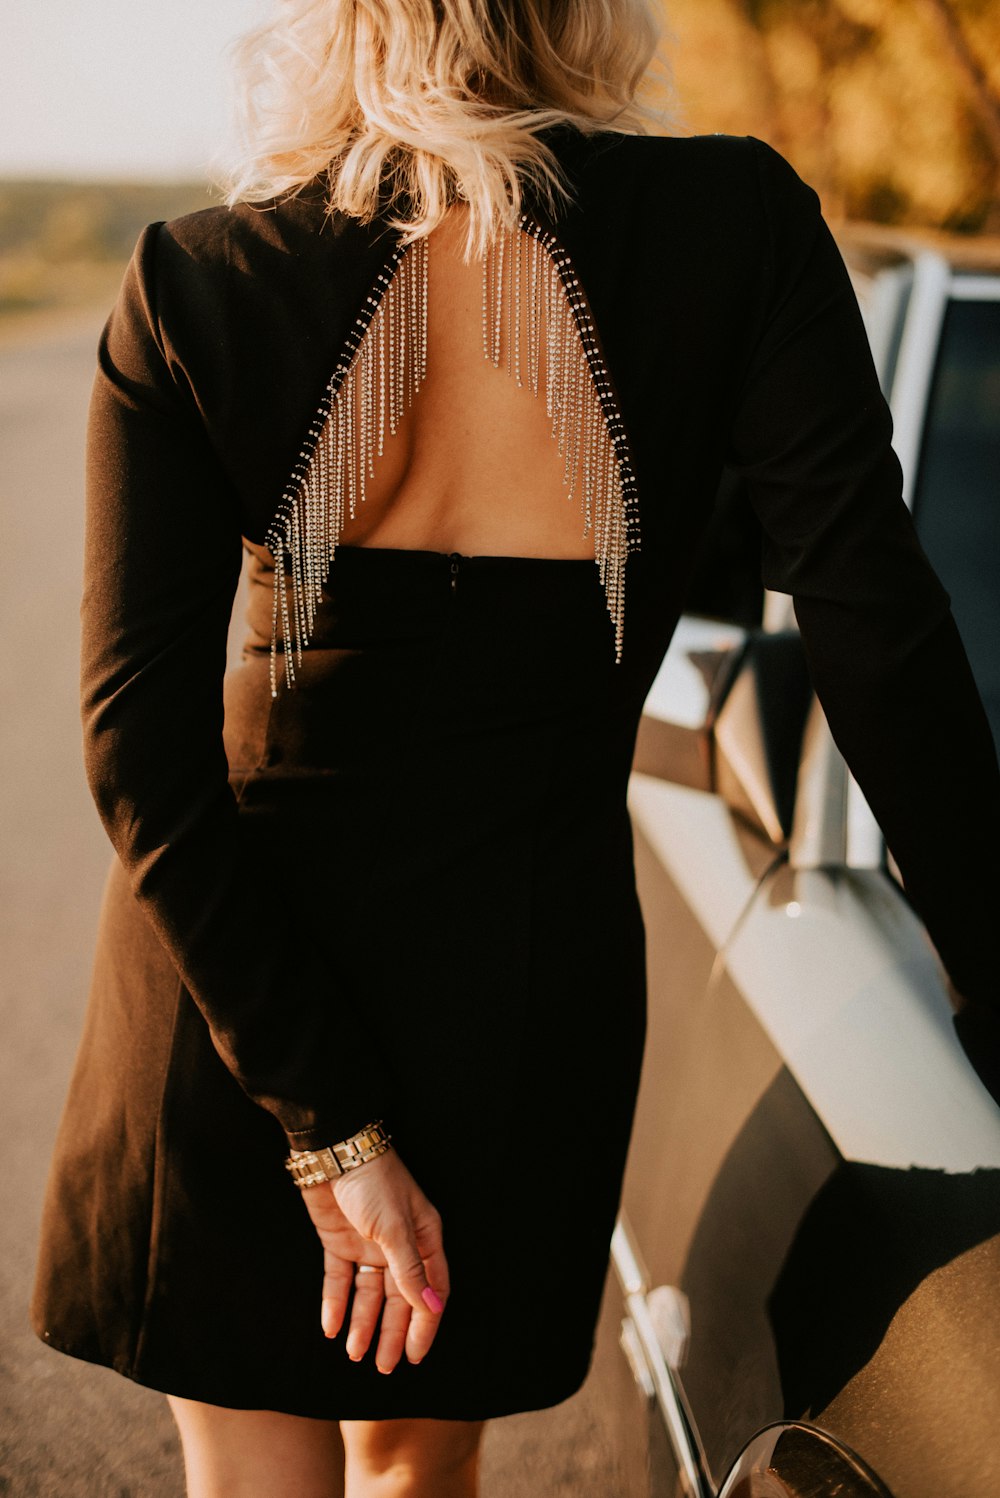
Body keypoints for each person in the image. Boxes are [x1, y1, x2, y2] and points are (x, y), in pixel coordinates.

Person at [30, 1, 1000, 1495]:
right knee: (420, 1476)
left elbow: (137, 752)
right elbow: (884, 642)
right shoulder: (732, 229)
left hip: (232, 999)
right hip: (511, 996)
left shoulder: (201, 280)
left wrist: (325, 1124)